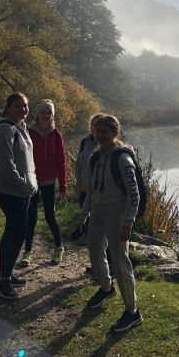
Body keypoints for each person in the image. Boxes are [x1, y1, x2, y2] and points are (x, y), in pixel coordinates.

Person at [78, 114, 143, 332]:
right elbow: (91, 190)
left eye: (105, 132)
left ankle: (132, 312)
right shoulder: (95, 157)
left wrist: (127, 222)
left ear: (115, 133)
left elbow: (134, 195)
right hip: (97, 211)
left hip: (117, 213)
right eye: (98, 131)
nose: (101, 136)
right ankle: (106, 287)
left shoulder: (123, 159)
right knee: (95, 251)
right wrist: (84, 214)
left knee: (120, 260)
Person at [0, 92, 37, 300]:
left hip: (21, 191)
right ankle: (3, 281)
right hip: (9, 191)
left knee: (13, 231)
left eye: (25, 106)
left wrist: (31, 184)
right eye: (18, 106)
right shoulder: (4, 129)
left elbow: (26, 161)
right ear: (8, 107)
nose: (23, 110)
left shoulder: (22, 127)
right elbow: (6, 165)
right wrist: (23, 185)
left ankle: (5, 274)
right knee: (18, 232)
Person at [20, 99, 67, 266]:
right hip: (31, 180)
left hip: (48, 181)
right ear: (37, 114)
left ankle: (59, 247)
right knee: (30, 216)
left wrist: (63, 186)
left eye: (49, 113)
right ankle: (28, 251)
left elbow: (62, 162)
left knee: (49, 216)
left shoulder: (56, 135)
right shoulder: (27, 132)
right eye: (43, 112)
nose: (46, 115)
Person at [74, 112, 113, 274]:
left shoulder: (108, 145)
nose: (97, 130)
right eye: (94, 126)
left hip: (101, 194)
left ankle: (110, 265)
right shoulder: (85, 141)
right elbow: (79, 163)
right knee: (91, 232)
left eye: (100, 127)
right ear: (91, 127)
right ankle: (97, 264)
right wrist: (77, 182)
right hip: (85, 191)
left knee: (104, 232)